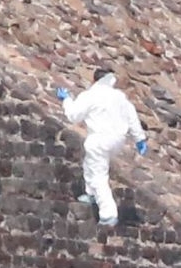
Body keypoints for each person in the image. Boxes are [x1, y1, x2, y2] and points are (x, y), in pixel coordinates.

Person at [56, 69, 147, 227]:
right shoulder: (119, 97)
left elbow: (73, 115)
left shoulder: (90, 95)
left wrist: (66, 100)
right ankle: (90, 193)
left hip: (100, 139)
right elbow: (132, 116)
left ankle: (108, 214)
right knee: (90, 163)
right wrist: (140, 138)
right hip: (118, 140)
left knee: (99, 174)